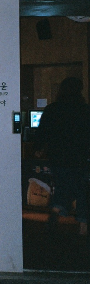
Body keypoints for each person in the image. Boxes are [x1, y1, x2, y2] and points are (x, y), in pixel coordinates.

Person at [34, 76, 90, 236]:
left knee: (62, 185)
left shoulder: (52, 109)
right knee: (82, 189)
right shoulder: (84, 109)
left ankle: (56, 209)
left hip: (57, 156)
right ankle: (83, 225)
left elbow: (42, 131)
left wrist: (38, 148)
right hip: (80, 156)